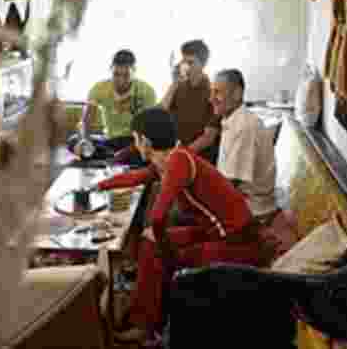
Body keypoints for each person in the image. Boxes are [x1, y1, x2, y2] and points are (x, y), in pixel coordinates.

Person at [94, 108, 264, 346]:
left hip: (237, 241)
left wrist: (167, 251)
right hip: (213, 232)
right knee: (149, 241)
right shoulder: (172, 158)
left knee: (158, 246)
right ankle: (144, 319)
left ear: (145, 141)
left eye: (135, 139)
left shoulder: (179, 161)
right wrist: (100, 186)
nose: (135, 144)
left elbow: (158, 217)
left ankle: (150, 326)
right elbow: (137, 177)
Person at [210, 69, 277, 221]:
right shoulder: (233, 119)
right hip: (241, 202)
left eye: (217, 92)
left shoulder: (245, 126)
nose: (211, 98)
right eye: (212, 92)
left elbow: (230, 183)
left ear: (237, 94)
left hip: (252, 211)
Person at [71, 49, 157, 160]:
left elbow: (151, 126)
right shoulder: (99, 88)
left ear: (134, 72)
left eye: (126, 75)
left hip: (133, 142)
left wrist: (141, 146)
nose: (120, 80)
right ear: (110, 70)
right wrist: (84, 140)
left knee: (145, 150)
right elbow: (86, 120)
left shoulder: (146, 90)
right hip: (109, 141)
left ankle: (111, 156)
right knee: (74, 141)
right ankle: (115, 156)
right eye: (116, 74)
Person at [160, 39, 220, 163]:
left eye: (190, 62)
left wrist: (182, 154)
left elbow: (208, 137)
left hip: (201, 157)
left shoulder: (212, 92)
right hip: (179, 150)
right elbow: (160, 113)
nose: (185, 67)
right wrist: (174, 83)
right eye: (183, 62)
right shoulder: (179, 86)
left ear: (203, 64)